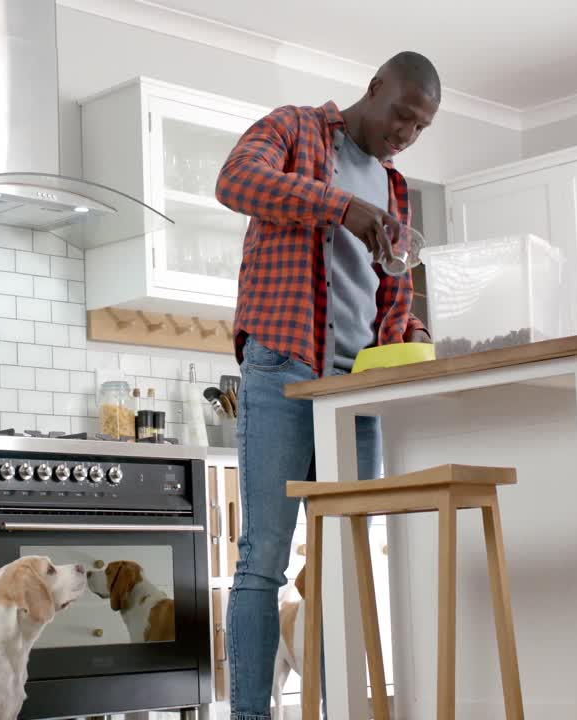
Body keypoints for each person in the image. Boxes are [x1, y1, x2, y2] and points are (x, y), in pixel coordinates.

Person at [214, 51, 441, 719]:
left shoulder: (396, 189)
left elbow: (390, 297)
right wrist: (339, 206)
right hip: (284, 366)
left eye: (420, 126)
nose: (405, 133)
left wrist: (417, 336)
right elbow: (236, 182)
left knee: (344, 564)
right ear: (373, 90)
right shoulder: (296, 129)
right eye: (401, 114)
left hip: (356, 392)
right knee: (264, 559)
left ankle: (333, 707)